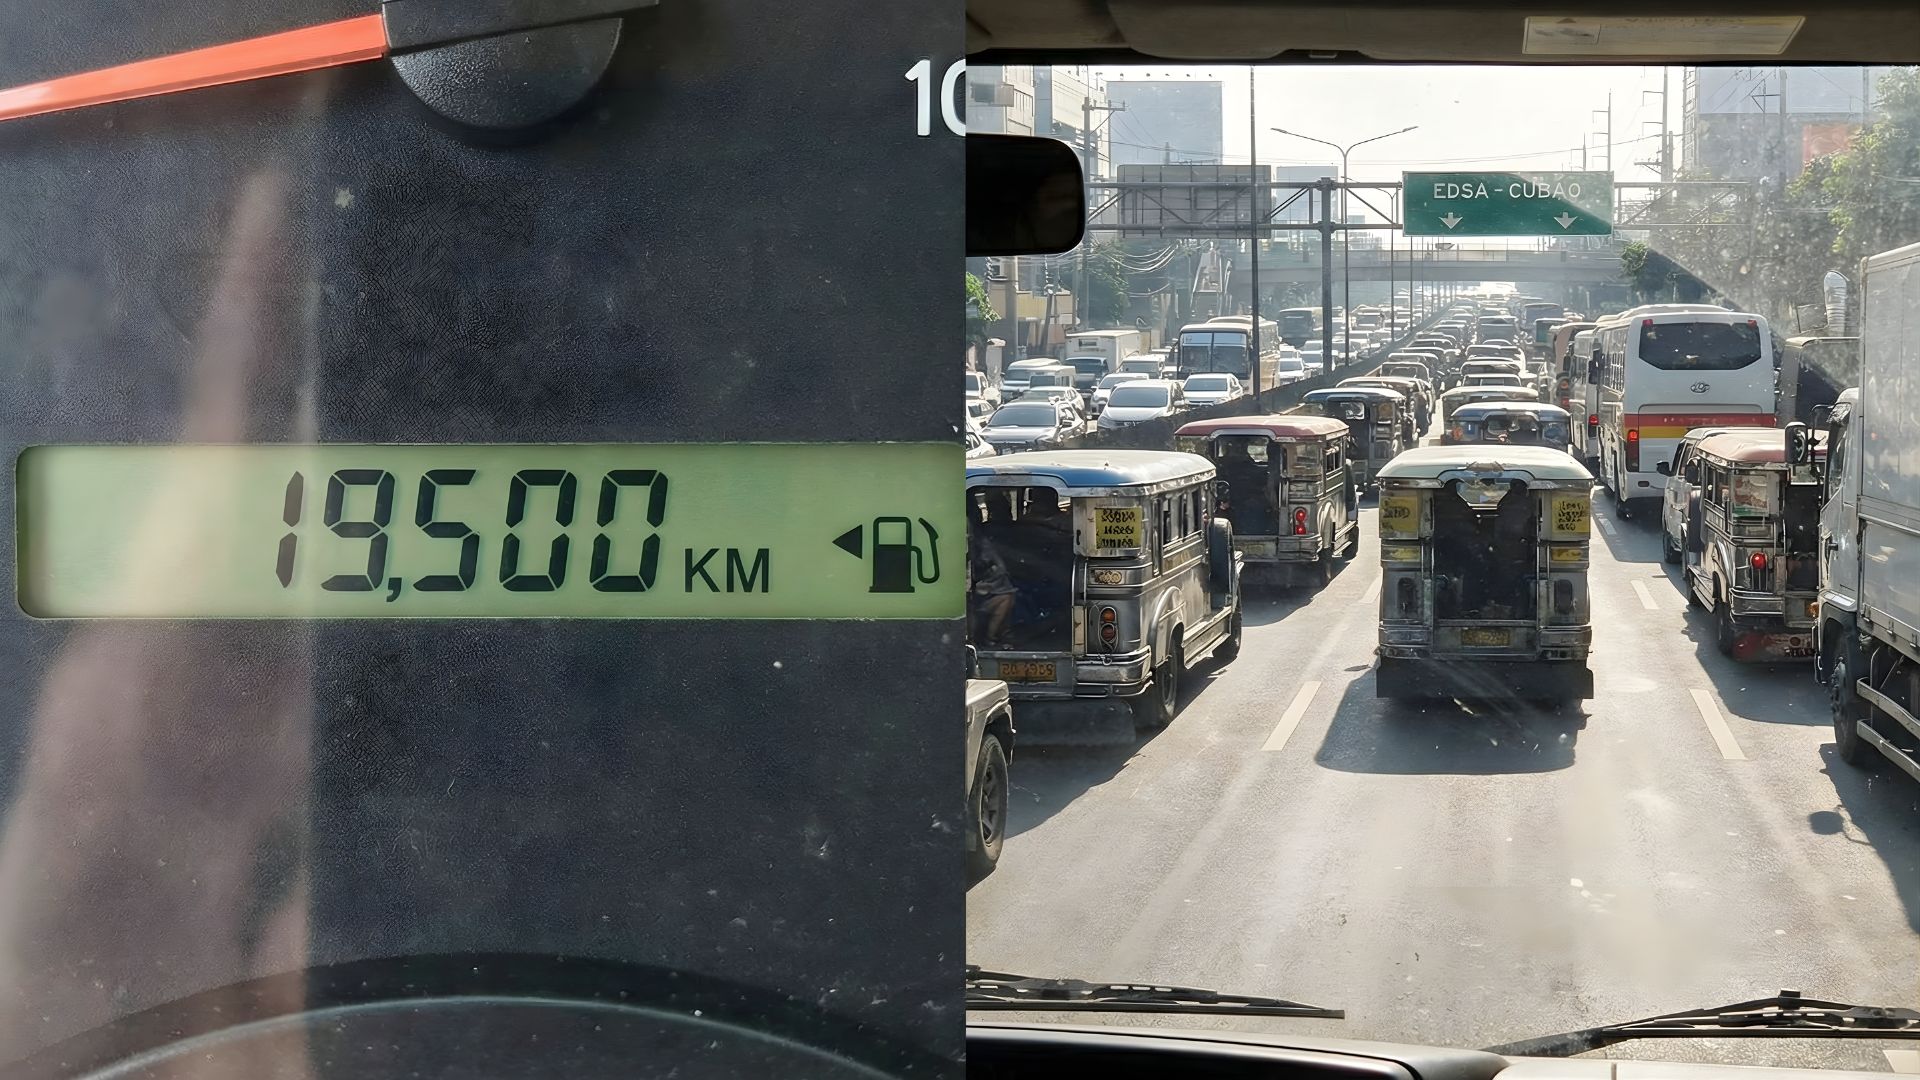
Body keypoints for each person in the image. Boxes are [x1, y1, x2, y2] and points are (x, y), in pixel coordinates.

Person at [968, 510, 1018, 648]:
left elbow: (1000, 567)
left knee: (1008, 598)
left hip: (982, 592)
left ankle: (992, 637)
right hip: (966, 597)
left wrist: (985, 583)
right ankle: (985, 638)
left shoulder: (981, 544)